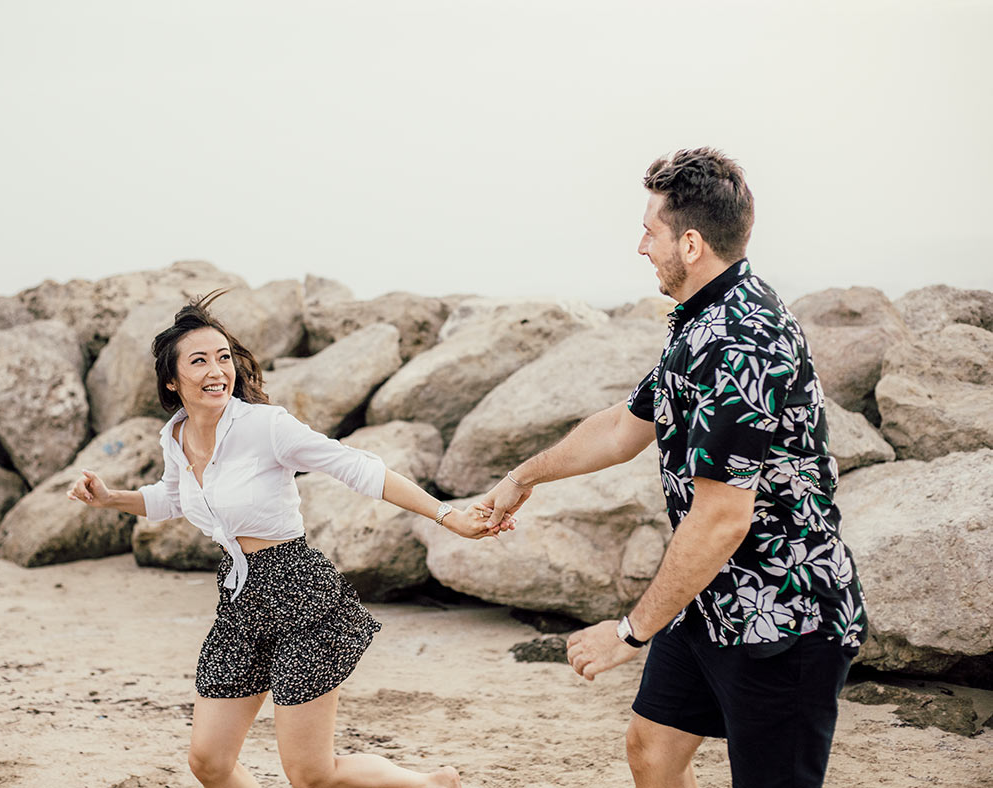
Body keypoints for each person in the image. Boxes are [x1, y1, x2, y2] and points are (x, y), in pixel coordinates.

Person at [480, 148, 867, 788]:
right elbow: (623, 427)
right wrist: (522, 477)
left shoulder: (745, 338)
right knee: (652, 751)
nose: (639, 246)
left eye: (649, 230)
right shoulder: (701, 321)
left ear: (689, 244)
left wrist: (628, 634)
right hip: (711, 600)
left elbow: (721, 518)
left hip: (782, 614)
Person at [67, 291, 511, 788]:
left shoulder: (265, 426)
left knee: (311, 774)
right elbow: (171, 497)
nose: (218, 370)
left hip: (300, 593)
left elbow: (358, 468)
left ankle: (430, 784)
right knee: (209, 762)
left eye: (223, 358)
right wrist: (110, 499)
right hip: (239, 597)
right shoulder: (175, 436)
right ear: (172, 380)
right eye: (199, 361)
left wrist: (448, 516)